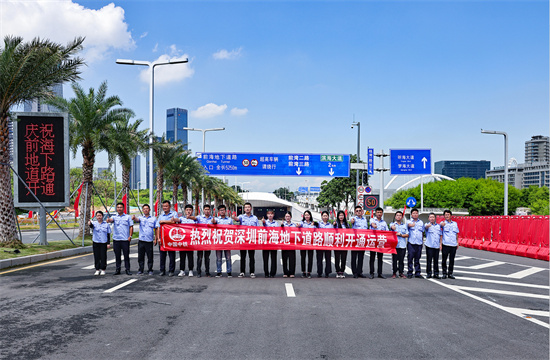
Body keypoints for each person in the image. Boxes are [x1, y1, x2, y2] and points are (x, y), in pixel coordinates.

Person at [232, 202, 259, 278]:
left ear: (251, 208)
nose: (247, 208)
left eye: (248, 207)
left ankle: (252, 272)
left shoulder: (255, 218)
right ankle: (242, 272)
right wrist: (234, 217)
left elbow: (258, 228)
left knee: (251, 257)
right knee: (243, 256)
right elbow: (237, 219)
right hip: (243, 240)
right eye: (246, 207)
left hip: (251, 240)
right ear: (244, 209)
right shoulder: (241, 217)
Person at [106, 202, 134, 275]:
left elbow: (131, 227)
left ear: (123, 208)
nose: (119, 209)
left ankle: (127, 269)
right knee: (117, 255)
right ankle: (117, 269)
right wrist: (108, 220)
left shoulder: (128, 217)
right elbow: (111, 220)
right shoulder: (114, 217)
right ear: (116, 208)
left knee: (126, 255)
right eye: (118, 207)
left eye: (121, 207)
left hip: (125, 239)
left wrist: (130, 236)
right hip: (116, 239)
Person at [132, 204, 157, 275]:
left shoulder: (153, 219)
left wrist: (156, 239)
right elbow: (137, 220)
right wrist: (134, 218)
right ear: (142, 210)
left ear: (149, 210)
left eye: (147, 208)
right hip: (141, 240)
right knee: (140, 256)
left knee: (150, 256)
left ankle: (150, 270)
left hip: (149, 241)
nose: (145, 210)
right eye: (144, 209)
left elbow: (156, 229)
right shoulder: (140, 218)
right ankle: (141, 269)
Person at [190, 204, 214, 278]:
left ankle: (207, 272)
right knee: (199, 257)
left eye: (208, 209)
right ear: (203, 210)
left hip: (208, 240)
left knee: (207, 257)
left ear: (210, 210)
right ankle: (199, 272)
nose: (207, 211)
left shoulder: (212, 219)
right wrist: (189, 217)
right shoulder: (199, 217)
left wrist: (214, 221)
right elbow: (194, 218)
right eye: (205, 209)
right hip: (200, 240)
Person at [156, 200, 178, 276]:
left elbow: (174, 222)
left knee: (172, 256)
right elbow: (158, 227)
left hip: (171, 238)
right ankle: (162, 270)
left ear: (170, 206)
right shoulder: (160, 216)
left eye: (166, 206)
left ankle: (171, 270)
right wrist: (158, 238)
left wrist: (163, 221)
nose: (165, 207)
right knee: (162, 256)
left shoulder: (174, 213)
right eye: (163, 206)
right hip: (162, 239)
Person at [212, 204, 233, 278]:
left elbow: (233, 230)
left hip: (227, 241)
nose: (222, 211)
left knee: (228, 257)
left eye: (223, 210)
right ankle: (219, 272)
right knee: (219, 258)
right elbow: (211, 225)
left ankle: (229, 272)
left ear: (226, 211)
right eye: (220, 210)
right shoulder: (216, 219)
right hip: (219, 241)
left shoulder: (229, 220)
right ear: (218, 211)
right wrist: (213, 221)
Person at [175, 204, 196, 277]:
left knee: (190, 256)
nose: (188, 211)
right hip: (183, 241)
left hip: (190, 241)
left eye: (190, 210)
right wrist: (173, 219)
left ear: (192, 211)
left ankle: (190, 270)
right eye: (187, 210)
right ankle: (182, 270)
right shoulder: (182, 219)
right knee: (182, 256)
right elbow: (177, 220)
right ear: (185, 211)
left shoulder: (195, 220)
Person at [88, 211, 111, 276]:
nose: (99, 217)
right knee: (96, 256)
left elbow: (108, 234)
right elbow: (91, 226)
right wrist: (89, 224)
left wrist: (108, 243)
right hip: (96, 242)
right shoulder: (94, 223)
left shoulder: (106, 224)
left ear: (102, 216)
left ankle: (103, 269)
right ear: (96, 216)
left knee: (103, 256)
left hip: (103, 242)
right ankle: (97, 269)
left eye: (100, 215)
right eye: (97, 216)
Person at [369, 207, 388, 279]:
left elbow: (387, 231)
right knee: (372, 258)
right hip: (373, 242)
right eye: (378, 212)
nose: (379, 214)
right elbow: (372, 224)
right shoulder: (372, 219)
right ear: (375, 213)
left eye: (380, 212)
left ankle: (380, 273)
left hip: (380, 242)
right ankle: (371, 273)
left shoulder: (384, 222)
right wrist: (374, 226)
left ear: (382, 213)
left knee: (380, 258)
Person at [440, 209, 460, 279]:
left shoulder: (455, 224)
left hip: (453, 244)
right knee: (444, 259)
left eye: (448, 214)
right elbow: (440, 234)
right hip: (445, 244)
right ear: (444, 216)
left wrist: (457, 242)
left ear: (451, 216)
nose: (447, 216)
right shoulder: (442, 223)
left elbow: (456, 233)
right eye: (446, 215)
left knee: (452, 259)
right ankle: (444, 273)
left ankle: (450, 273)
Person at [350, 205, 368, 278]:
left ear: (362, 211)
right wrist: (352, 221)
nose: (358, 212)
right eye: (357, 211)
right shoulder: (353, 218)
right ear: (355, 212)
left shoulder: (365, 220)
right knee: (354, 257)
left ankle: (360, 271)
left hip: (362, 240)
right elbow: (351, 222)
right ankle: (354, 272)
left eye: (359, 211)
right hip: (355, 240)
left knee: (361, 257)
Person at [390, 211, 408, 279]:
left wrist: (401, 235)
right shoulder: (392, 224)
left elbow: (407, 234)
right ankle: (394, 273)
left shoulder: (404, 225)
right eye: (397, 215)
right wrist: (392, 228)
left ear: (402, 217)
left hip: (402, 245)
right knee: (394, 260)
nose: (398, 217)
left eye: (400, 215)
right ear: (395, 217)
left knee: (401, 260)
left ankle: (401, 272)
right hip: (395, 245)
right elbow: (390, 228)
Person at [298, 210, 316, 278]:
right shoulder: (302, 223)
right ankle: (303, 271)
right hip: (303, 243)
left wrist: (311, 226)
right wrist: (298, 226)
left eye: (308, 215)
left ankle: (309, 272)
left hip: (310, 243)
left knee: (310, 258)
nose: (307, 216)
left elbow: (315, 231)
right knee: (303, 257)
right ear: (304, 216)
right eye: (305, 215)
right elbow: (298, 228)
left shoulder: (313, 223)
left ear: (310, 216)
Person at [407, 208, 424, 279]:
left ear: (418, 214)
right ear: (411, 214)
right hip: (411, 243)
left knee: (417, 258)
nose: (415, 214)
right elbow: (406, 228)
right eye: (413, 213)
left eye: (416, 213)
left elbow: (422, 232)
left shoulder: (421, 222)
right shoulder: (408, 221)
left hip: (419, 243)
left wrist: (422, 242)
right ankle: (410, 272)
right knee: (410, 258)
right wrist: (410, 225)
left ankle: (417, 272)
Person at [424, 212, 442, 279]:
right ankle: (429, 273)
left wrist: (440, 244)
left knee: (436, 260)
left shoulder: (438, 226)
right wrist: (427, 226)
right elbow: (425, 228)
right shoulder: (427, 225)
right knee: (429, 260)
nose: (432, 218)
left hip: (436, 246)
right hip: (429, 245)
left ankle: (436, 273)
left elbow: (440, 235)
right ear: (428, 218)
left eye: (433, 217)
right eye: (430, 217)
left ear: (435, 218)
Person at [262, 209, 278, 278]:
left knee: (273, 258)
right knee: (265, 258)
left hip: (273, 242)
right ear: (267, 215)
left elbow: (278, 231)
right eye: (269, 214)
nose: (270, 215)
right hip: (266, 242)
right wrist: (263, 222)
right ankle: (266, 272)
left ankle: (272, 273)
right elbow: (263, 226)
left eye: (271, 214)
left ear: (273, 215)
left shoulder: (276, 223)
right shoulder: (265, 222)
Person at [316, 211, 332, 278]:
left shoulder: (330, 225)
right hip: (320, 243)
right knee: (319, 258)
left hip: (328, 243)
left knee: (328, 258)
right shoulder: (318, 224)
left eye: (326, 216)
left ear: (328, 217)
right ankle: (319, 272)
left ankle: (327, 272)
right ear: (321, 217)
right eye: (324, 216)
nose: (325, 217)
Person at [333, 210, 349, 279]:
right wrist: (333, 226)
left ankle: (342, 271)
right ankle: (338, 271)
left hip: (344, 243)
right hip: (337, 243)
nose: (341, 217)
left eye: (342, 215)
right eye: (340, 215)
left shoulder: (346, 224)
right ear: (338, 216)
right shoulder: (335, 224)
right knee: (337, 258)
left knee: (343, 258)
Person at [281, 211, 296, 278]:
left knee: (292, 259)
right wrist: (281, 226)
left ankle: (292, 272)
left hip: (292, 244)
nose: (287, 218)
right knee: (284, 259)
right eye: (286, 216)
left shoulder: (294, 225)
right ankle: (285, 272)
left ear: (291, 217)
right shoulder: (282, 224)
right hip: (284, 244)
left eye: (288, 216)